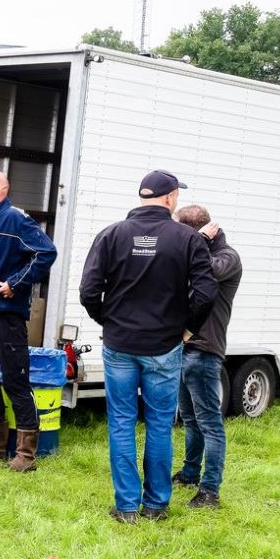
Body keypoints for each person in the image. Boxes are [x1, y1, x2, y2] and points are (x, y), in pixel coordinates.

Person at [80, 170, 217, 524]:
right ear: (170, 198)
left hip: (119, 345)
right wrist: (187, 330)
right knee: (158, 424)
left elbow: (88, 291)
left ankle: (126, 507)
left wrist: (108, 322)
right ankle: (156, 505)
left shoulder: (111, 235)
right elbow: (206, 293)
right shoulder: (188, 239)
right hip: (164, 346)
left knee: (121, 423)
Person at [0, 170, 57, 472]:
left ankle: (26, 454)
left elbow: (46, 252)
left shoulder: (17, 219)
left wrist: (16, 283)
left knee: (15, 380)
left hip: (7, 315)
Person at [171, 205, 242, 510]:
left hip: (205, 350)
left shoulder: (227, 258)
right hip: (185, 348)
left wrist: (196, 241)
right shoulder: (202, 251)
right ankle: (189, 474)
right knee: (190, 419)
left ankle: (210, 491)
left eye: (182, 232)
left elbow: (202, 270)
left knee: (210, 423)